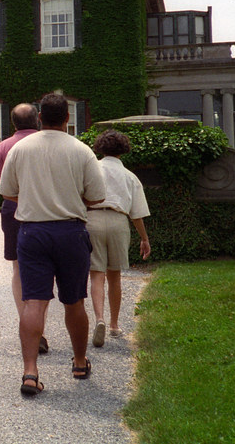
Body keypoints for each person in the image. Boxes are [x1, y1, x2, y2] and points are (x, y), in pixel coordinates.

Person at [0, 93, 106, 397]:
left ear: (40, 117)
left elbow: (7, 192)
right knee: (74, 301)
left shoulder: (21, 148)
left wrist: (35, 201)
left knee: (34, 301)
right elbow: (97, 196)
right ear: (68, 118)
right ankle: (80, 362)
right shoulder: (82, 150)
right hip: (71, 232)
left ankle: (30, 372)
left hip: (32, 232)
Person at [0, 103, 50, 354]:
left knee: (19, 268)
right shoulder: (50, 143)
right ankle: (38, 327)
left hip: (13, 209)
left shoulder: (5, 146)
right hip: (46, 210)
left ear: (13, 123)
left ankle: (27, 323)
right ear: (37, 120)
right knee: (44, 268)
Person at [87, 129, 151, 347]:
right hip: (118, 221)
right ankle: (114, 325)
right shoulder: (130, 176)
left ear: (100, 148)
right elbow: (138, 213)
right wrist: (144, 238)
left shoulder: (92, 168)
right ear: (123, 150)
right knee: (114, 275)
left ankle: (99, 319)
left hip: (92, 219)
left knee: (96, 274)